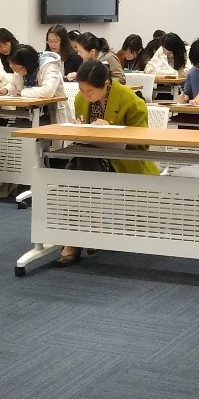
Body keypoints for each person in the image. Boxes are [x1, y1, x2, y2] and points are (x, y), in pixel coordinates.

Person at [57, 59, 159, 266]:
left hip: (122, 161)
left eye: (90, 91)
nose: (85, 95)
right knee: (82, 165)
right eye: (82, 90)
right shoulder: (80, 99)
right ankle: (87, 231)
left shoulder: (131, 101)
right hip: (91, 158)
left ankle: (76, 238)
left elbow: (143, 143)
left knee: (75, 175)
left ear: (105, 84)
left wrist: (112, 132)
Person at [0, 43, 69, 124]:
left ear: (27, 64)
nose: (15, 71)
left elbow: (47, 91)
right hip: (28, 111)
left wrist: (21, 92)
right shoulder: (21, 68)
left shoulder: (49, 65)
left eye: (16, 69)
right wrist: (6, 90)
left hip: (50, 112)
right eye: (12, 67)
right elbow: (14, 84)